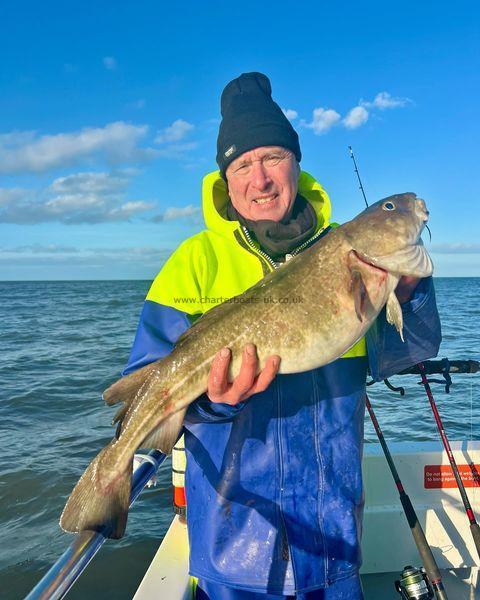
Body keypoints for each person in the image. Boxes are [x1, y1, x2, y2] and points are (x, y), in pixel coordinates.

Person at [124, 73, 441, 599]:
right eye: (242, 164)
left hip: (334, 543)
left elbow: (406, 356)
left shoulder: (348, 253)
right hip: (233, 552)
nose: (260, 178)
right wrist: (216, 405)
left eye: (272, 157)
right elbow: (145, 385)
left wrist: (412, 296)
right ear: (226, 178)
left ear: (297, 163)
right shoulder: (191, 265)